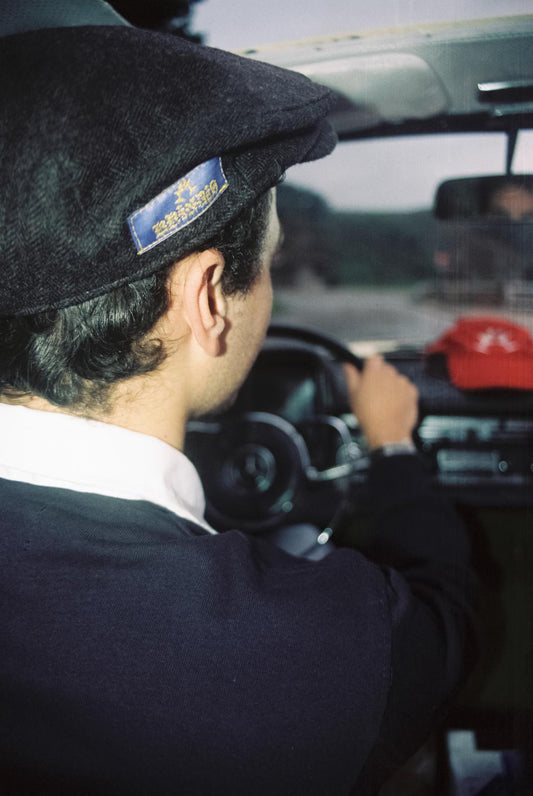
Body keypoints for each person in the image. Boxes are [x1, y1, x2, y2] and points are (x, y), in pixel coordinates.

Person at [0, 23, 477, 796]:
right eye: (271, 265)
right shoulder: (317, 657)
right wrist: (392, 453)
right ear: (206, 298)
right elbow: (449, 618)